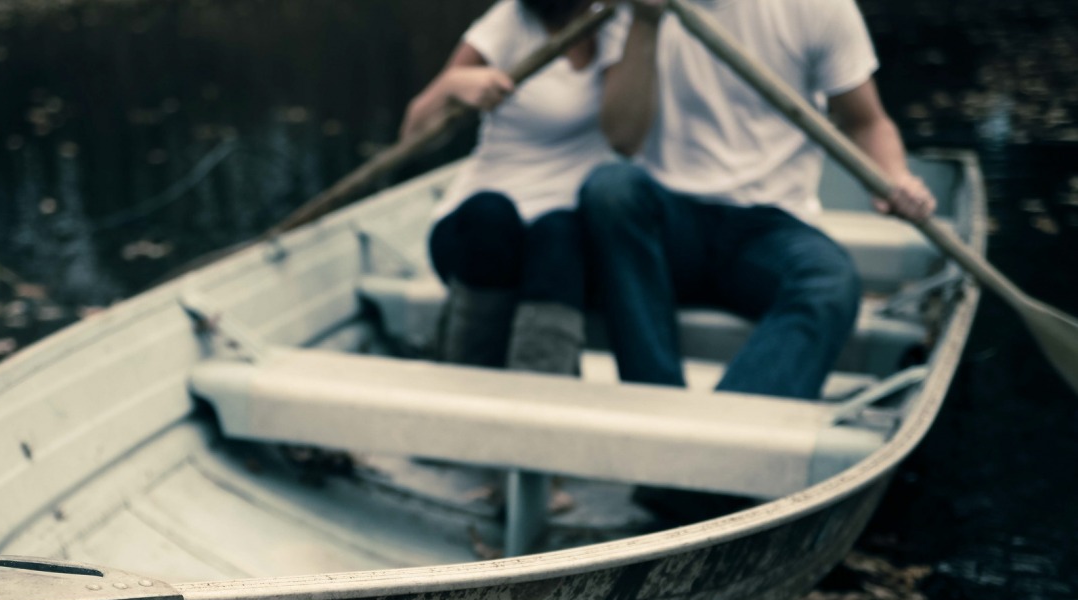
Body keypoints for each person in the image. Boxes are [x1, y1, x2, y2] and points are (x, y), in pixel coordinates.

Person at [581, 0, 936, 521]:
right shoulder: (629, 8)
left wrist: (895, 176)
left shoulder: (819, 8)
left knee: (829, 281)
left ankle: (708, 464)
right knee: (609, 190)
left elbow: (866, 121)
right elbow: (622, 138)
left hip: (768, 229)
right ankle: (660, 434)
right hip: (670, 223)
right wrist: (646, 22)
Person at [400, 0, 632, 375]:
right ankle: (466, 382)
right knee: (492, 214)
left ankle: (538, 396)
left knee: (559, 232)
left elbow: (629, 134)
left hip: (564, 245)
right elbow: (411, 136)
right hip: (478, 235)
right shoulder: (509, 21)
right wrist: (452, 86)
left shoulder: (620, 24)